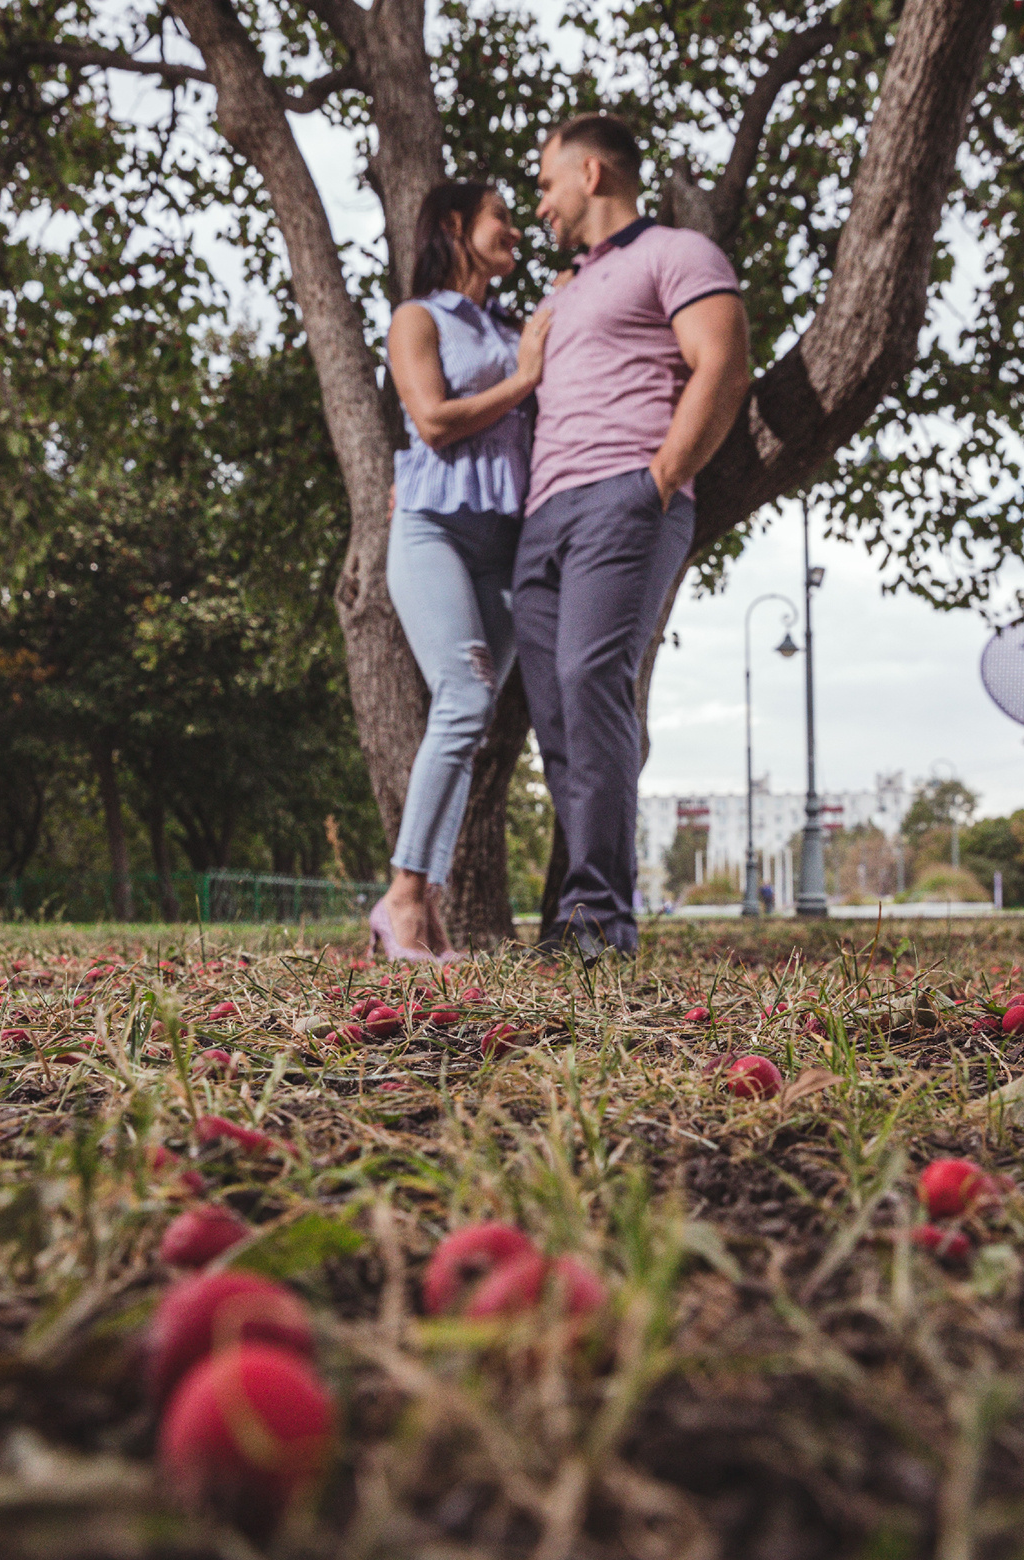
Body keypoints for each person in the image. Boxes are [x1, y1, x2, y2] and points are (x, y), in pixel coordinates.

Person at [518, 113, 752, 957]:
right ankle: (572, 915)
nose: (538, 205)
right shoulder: (564, 291)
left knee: (591, 682)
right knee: (557, 722)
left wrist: (657, 481)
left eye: (545, 185)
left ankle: (598, 918)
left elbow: (722, 360)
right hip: (543, 518)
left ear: (590, 174)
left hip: (622, 498)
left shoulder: (677, 255)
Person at [368, 181, 553, 961]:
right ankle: (404, 896)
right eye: (500, 217)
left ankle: (425, 909)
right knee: (466, 691)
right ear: (453, 225)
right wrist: (525, 379)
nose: (515, 229)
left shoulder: (514, 325)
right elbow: (434, 422)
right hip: (433, 529)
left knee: (472, 718)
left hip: (505, 541)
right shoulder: (419, 318)